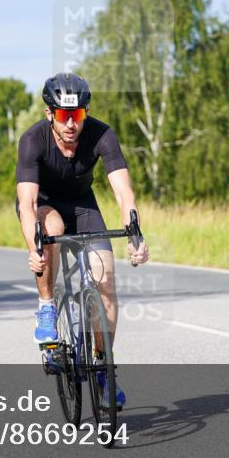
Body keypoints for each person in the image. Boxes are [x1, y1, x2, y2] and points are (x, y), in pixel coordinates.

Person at [16, 73, 150, 408]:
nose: (72, 123)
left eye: (78, 115)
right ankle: (47, 307)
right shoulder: (32, 140)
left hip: (83, 204)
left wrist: (135, 234)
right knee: (53, 227)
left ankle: (103, 371)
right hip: (44, 206)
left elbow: (123, 191)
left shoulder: (101, 134)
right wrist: (35, 250)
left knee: (106, 278)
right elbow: (27, 204)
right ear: (50, 114)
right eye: (64, 116)